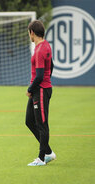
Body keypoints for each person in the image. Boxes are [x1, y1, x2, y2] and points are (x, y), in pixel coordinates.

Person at [26, 20, 56, 166]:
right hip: (40, 88)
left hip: (40, 90)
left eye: (29, 33)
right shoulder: (46, 45)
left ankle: (41, 158)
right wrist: (45, 82)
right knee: (29, 120)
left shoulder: (39, 50)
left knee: (42, 124)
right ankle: (49, 152)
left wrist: (31, 89)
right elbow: (52, 66)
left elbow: (39, 76)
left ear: (32, 32)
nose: (29, 36)